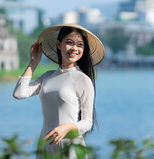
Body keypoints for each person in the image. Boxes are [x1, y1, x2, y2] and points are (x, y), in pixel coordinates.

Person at [13, 24, 105, 158]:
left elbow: (87, 122)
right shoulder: (48, 76)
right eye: (69, 42)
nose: (74, 48)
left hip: (70, 145)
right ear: (58, 44)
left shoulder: (82, 80)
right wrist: (33, 63)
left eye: (80, 45)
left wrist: (67, 127)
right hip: (46, 145)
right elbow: (19, 93)